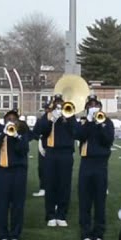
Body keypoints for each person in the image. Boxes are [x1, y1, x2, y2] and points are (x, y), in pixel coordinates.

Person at [0, 109, 31, 240]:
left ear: (17, 121)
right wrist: (3, 134)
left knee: (17, 205)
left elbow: (23, 150)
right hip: (2, 173)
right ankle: (3, 235)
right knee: (2, 205)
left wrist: (16, 136)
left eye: (14, 119)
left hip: (18, 172)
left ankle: (15, 235)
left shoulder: (22, 132)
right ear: (4, 121)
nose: (11, 121)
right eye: (8, 119)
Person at [75, 96, 115, 240]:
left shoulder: (107, 122)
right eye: (90, 105)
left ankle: (99, 234)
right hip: (86, 164)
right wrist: (90, 122)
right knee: (85, 200)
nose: (93, 107)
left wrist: (100, 124)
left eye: (96, 105)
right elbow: (79, 135)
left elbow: (107, 140)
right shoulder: (84, 122)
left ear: (100, 107)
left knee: (100, 201)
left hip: (100, 165)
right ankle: (85, 234)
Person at [33, 95, 77, 227]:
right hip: (51, 152)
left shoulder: (70, 116)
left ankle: (62, 214)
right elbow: (39, 132)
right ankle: (50, 214)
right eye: (56, 104)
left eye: (60, 104)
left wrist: (67, 118)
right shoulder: (46, 117)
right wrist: (51, 119)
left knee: (65, 184)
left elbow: (75, 132)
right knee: (50, 184)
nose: (58, 106)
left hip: (66, 152)